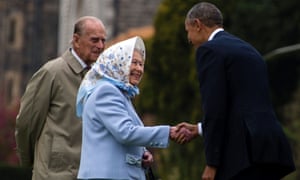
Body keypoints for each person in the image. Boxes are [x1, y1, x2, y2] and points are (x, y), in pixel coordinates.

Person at [175, 2, 296, 180]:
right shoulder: (250, 50)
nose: (188, 38)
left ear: (198, 25)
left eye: (188, 30)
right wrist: (200, 129)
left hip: (241, 155)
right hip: (269, 149)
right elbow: (242, 106)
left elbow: (215, 109)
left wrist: (212, 163)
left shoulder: (209, 51)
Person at [15, 16, 106, 180]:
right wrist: (31, 163)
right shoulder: (52, 72)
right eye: (94, 40)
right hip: (53, 175)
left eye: (103, 41)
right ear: (76, 40)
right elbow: (26, 123)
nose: (100, 46)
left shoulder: (100, 79)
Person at [76, 36, 178, 180]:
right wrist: (168, 132)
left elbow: (114, 135)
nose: (139, 69)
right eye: (134, 62)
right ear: (118, 62)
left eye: (141, 64)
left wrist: (142, 152)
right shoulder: (106, 92)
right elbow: (125, 132)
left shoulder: (120, 93)